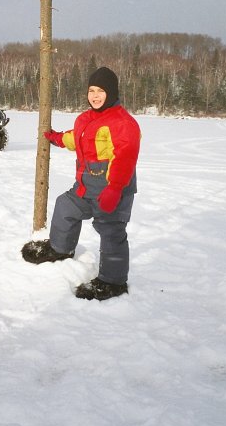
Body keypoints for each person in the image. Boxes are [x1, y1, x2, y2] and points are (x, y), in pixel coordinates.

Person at [22, 66, 141, 301]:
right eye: (91, 90)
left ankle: (112, 282)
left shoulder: (123, 123)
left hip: (112, 190)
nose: (94, 96)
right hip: (86, 188)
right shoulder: (86, 119)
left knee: (111, 231)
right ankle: (60, 248)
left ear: (112, 92)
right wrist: (56, 138)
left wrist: (115, 189)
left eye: (100, 91)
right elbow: (75, 137)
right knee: (66, 206)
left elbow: (125, 157)